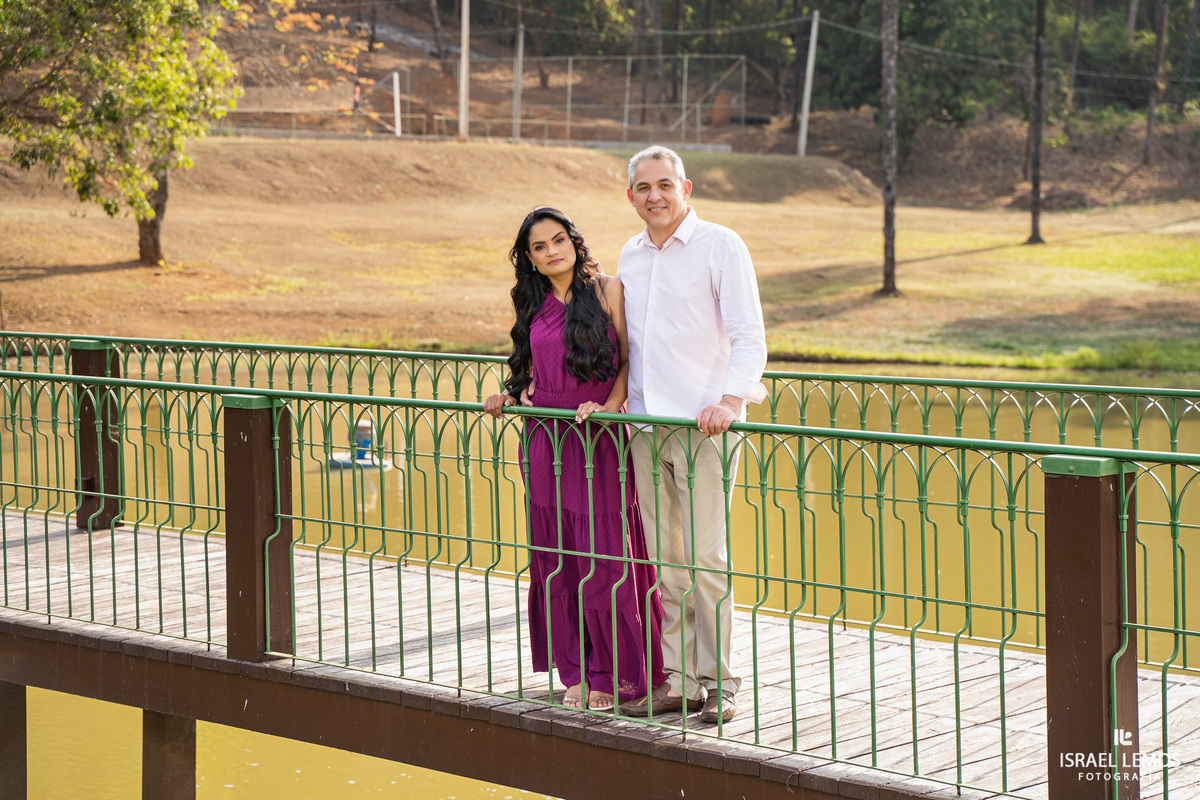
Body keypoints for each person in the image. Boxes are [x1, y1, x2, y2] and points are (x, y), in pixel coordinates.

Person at [484, 207, 665, 712]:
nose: (550, 252)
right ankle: (576, 670)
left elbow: (628, 358)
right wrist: (509, 393)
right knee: (558, 555)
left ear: (574, 241)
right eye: (538, 248)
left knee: (605, 555)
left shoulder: (608, 289)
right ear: (530, 259)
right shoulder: (530, 298)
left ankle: (617, 672)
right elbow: (527, 363)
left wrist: (609, 407)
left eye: (557, 240)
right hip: (544, 436)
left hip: (597, 436)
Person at [613, 145, 768, 724]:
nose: (655, 195)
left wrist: (730, 400)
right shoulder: (629, 254)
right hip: (646, 429)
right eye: (643, 187)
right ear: (630, 196)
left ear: (686, 188)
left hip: (706, 429)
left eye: (664, 184)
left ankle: (721, 683)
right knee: (667, 564)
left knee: (707, 559)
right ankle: (678, 681)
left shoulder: (721, 245)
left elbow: (749, 336)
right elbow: (630, 345)